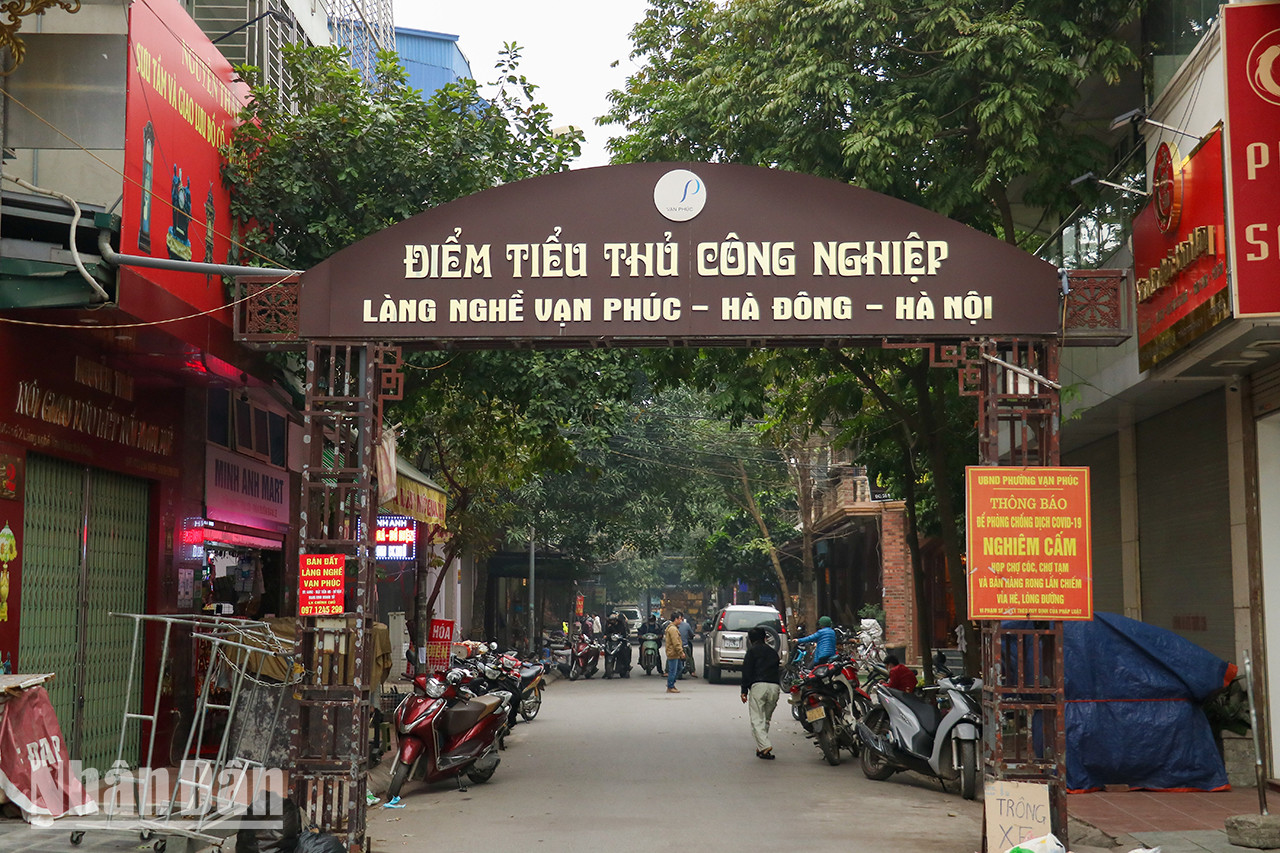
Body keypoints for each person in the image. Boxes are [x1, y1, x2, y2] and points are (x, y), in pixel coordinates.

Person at [740, 626, 781, 759]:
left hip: (759, 686)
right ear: (765, 638)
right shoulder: (773, 652)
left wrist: (744, 690)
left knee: (757, 718)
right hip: (774, 687)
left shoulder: (751, 652)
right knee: (766, 719)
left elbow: (747, 671)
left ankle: (765, 745)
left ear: (750, 640)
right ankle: (761, 748)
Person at [664, 612, 687, 693]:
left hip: (674, 653)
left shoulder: (674, 628)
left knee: (679, 668)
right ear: (676, 619)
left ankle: (671, 684)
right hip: (673, 653)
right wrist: (681, 652)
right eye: (680, 619)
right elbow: (676, 642)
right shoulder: (673, 629)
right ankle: (670, 686)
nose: (681, 620)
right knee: (673, 670)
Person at [605, 611, 632, 677]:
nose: (612, 622)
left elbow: (625, 633)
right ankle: (607, 670)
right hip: (611, 642)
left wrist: (623, 636)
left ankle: (626, 668)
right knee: (606, 652)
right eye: (611, 620)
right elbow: (606, 633)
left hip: (620, 642)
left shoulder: (621, 624)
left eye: (613, 620)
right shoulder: (608, 625)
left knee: (625, 652)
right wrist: (606, 636)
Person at [675, 610, 697, 678]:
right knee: (690, 657)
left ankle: (667, 671)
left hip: (675, 646)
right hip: (684, 645)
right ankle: (692, 671)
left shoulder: (671, 626)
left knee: (670, 657)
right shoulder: (686, 625)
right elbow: (691, 634)